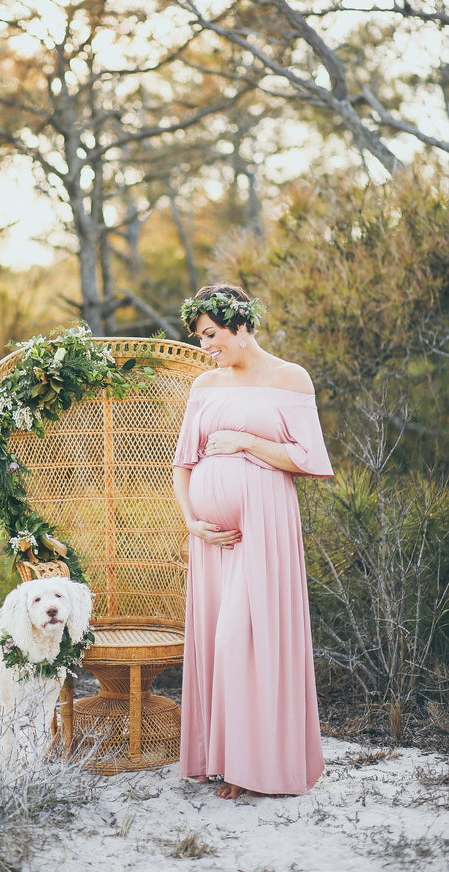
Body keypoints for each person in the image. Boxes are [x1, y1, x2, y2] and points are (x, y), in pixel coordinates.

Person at [172, 283, 333, 799]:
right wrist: (191, 520)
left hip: (265, 526)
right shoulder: (205, 384)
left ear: (241, 326)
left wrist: (244, 441)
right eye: (200, 337)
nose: (205, 346)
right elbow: (183, 463)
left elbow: (307, 459)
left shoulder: (290, 378)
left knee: (242, 639)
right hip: (211, 538)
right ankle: (223, 761)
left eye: (211, 334)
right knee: (217, 643)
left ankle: (254, 766)